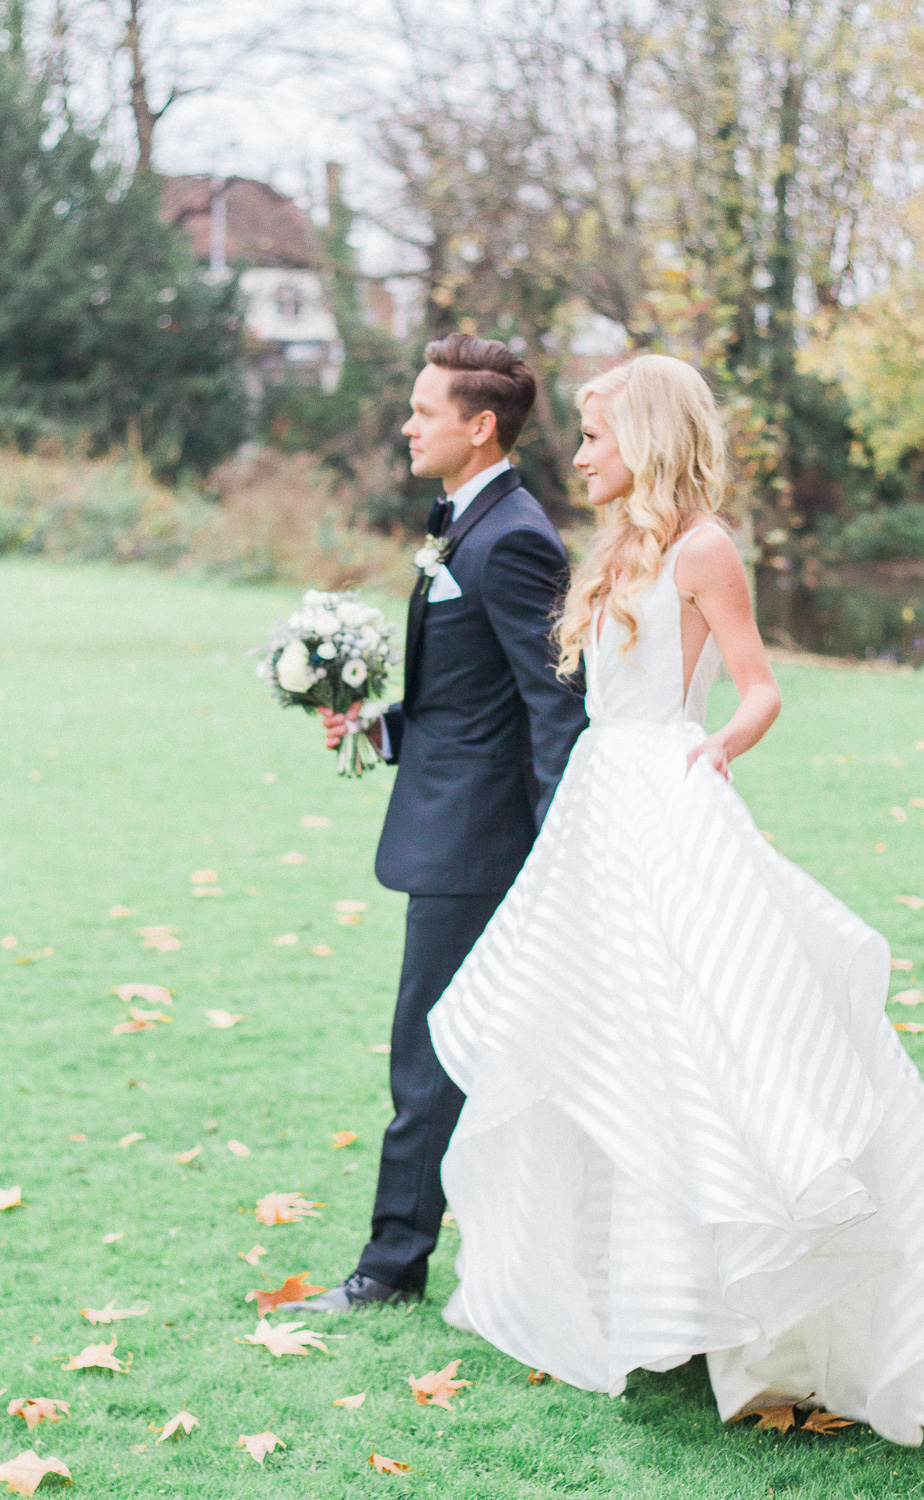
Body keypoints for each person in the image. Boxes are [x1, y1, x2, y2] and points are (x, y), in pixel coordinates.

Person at [427, 353, 924, 1461]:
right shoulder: (618, 550)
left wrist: (715, 751)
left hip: (670, 808)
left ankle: (765, 1309)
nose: (580, 455)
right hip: (602, 815)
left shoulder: (703, 549)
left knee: (714, 1045)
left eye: (595, 437)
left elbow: (761, 684)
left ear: (643, 439)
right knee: (625, 1049)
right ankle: (659, 1307)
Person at [285, 333, 588, 1315]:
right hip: (453, 822)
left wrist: (562, 850)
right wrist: (379, 726)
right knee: (450, 1052)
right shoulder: (469, 522)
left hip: (483, 846)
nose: (409, 424)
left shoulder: (515, 538)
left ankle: (388, 1268)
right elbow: (468, 699)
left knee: (426, 1058)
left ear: (480, 423)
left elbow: (553, 707)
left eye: (424, 409)